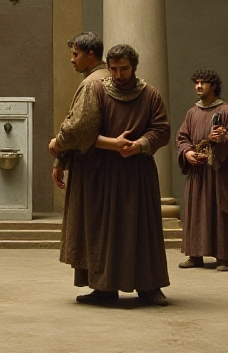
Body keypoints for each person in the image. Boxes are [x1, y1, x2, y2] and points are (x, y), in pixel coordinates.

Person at [68, 44, 171, 306]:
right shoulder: (97, 91)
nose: (118, 74)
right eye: (113, 69)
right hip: (105, 173)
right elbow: (84, 132)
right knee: (105, 232)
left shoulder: (150, 95)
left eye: (123, 69)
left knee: (142, 231)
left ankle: (149, 287)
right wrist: (114, 144)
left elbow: (161, 130)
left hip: (138, 173)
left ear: (134, 66)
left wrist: (140, 145)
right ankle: (104, 288)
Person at [48, 32, 109, 286]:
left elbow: (78, 126)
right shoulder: (105, 79)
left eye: (75, 54)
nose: (72, 59)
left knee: (91, 227)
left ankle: (99, 284)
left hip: (92, 167)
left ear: (90, 54)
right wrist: (61, 160)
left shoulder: (92, 83)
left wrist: (58, 144)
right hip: (102, 164)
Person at [176, 68, 228, 272]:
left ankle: (223, 256)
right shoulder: (192, 113)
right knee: (196, 210)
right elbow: (182, 138)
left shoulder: (227, 111)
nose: (198, 86)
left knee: (220, 210)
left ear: (213, 86)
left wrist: (223, 138)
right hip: (198, 171)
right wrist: (188, 153)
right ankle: (195, 255)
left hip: (220, 172)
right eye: (196, 82)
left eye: (203, 83)